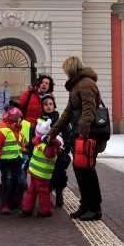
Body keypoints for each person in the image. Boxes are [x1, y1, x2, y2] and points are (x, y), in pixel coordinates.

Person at [47, 56, 102, 221]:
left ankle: (95, 208)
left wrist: (83, 134)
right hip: (80, 136)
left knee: (88, 172)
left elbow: (89, 110)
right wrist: (52, 133)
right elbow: (67, 114)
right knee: (80, 170)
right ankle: (85, 205)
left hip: (88, 136)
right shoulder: (76, 86)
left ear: (71, 69)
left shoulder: (86, 83)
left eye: (65, 70)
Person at [20, 119, 61, 218]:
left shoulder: (48, 145)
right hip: (35, 172)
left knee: (42, 192)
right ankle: (27, 209)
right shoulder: (38, 142)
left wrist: (50, 144)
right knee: (32, 191)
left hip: (42, 174)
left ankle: (46, 210)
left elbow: (50, 154)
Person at [39, 93, 72, 207]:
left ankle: (59, 194)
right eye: (45, 104)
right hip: (45, 153)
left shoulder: (60, 119)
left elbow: (68, 133)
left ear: (54, 105)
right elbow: (35, 135)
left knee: (60, 175)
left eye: (50, 104)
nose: (48, 106)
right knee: (47, 176)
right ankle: (47, 197)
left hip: (60, 153)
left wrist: (66, 149)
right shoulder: (40, 120)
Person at [0, 105, 27, 215]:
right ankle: (5, 204)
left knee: (22, 181)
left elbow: (20, 145)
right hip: (6, 162)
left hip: (17, 162)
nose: (21, 119)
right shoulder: (3, 131)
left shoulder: (19, 131)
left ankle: (18, 200)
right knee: (7, 182)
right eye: (19, 117)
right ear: (13, 118)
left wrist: (24, 152)